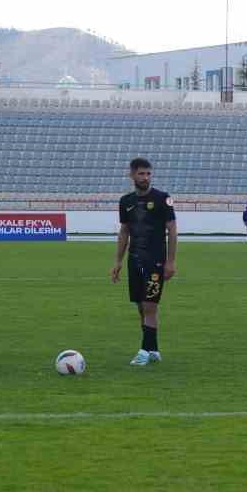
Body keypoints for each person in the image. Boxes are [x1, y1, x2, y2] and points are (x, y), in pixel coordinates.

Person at [110, 157, 177, 367]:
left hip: (155, 261)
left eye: (148, 173)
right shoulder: (126, 202)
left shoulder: (162, 199)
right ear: (131, 175)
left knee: (149, 306)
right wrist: (118, 261)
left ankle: (143, 351)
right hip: (134, 260)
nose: (145, 177)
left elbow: (172, 230)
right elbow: (124, 231)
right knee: (141, 306)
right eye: (141, 173)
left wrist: (170, 261)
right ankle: (153, 349)